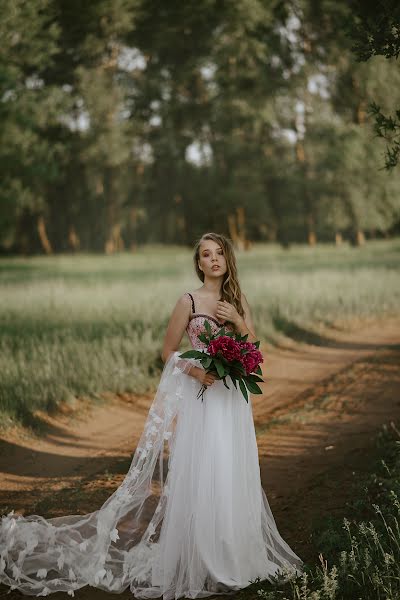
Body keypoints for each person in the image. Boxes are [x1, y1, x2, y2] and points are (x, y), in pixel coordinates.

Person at [0, 232, 302, 599]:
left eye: (219, 253)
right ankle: (198, 556)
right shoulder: (188, 301)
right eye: (206, 255)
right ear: (199, 264)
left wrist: (238, 320)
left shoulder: (237, 301)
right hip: (203, 396)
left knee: (230, 468)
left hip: (233, 400)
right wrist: (196, 372)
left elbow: (254, 350)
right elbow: (167, 351)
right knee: (203, 468)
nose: (213, 259)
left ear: (228, 259)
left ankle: (233, 552)